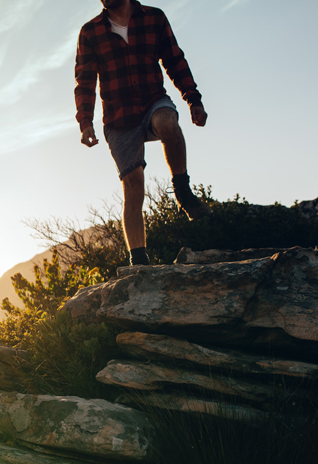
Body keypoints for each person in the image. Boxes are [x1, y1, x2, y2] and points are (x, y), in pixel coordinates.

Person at [75, 0, 212, 266]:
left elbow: (174, 60)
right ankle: (139, 260)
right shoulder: (90, 32)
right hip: (119, 118)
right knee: (133, 184)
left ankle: (183, 192)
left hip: (152, 102)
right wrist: (85, 121)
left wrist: (193, 99)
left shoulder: (154, 18)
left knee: (168, 123)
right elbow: (85, 79)